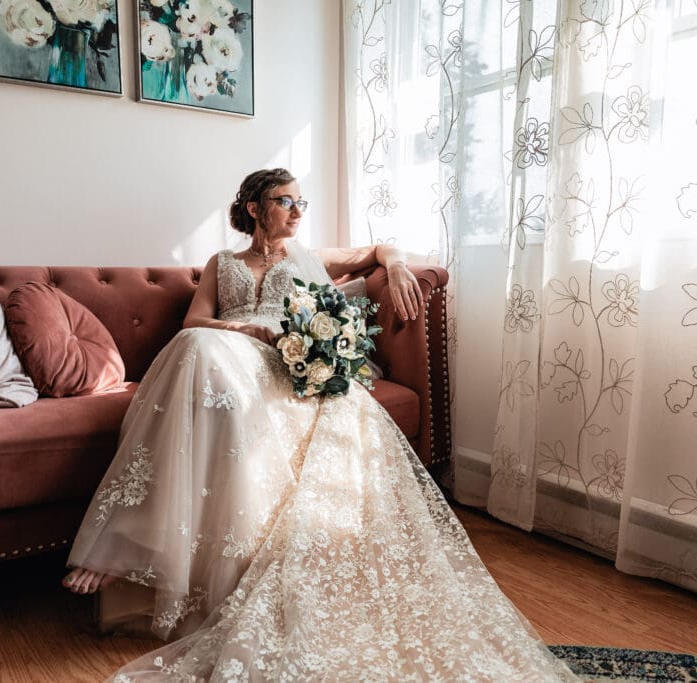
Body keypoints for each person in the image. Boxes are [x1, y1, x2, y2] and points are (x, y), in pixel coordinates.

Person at [63, 169, 578, 681]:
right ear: (254, 208)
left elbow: (378, 250)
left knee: (207, 362)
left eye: (301, 201)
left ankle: (134, 546)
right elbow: (194, 323)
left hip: (288, 368)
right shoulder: (222, 264)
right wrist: (242, 327)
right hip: (232, 350)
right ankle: (131, 548)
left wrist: (396, 266)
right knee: (198, 347)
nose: (298, 210)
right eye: (285, 201)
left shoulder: (313, 257)